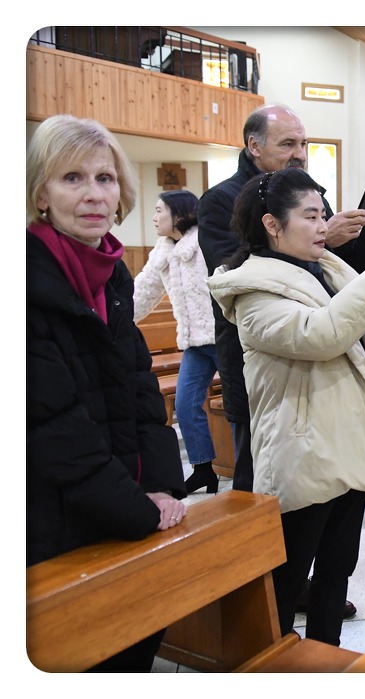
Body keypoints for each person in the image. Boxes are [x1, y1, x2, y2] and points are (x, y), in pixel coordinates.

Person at [206, 167, 365, 647]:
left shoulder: (330, 268)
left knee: (337, 572)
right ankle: (275, 665)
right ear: (272, 225)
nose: (322, 226)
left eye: (322, 214)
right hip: (304, 452)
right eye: (310, 216)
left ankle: (327, 659)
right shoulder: (251, 288)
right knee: (288, 580)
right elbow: (322, 335)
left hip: (351, 444)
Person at [199, 103, 365, 619]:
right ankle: (257, 602)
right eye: (288, 143)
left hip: (330, 366)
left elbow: (344, 281)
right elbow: (237, 266)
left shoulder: (308, 195)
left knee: (330, 514)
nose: (300, 153)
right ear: (254, 145)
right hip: (266, 365)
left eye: (303, 143)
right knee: (267, 496)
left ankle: (315, 599)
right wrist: (324, 238)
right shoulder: (220, 200)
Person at [27, 114, 187, 671]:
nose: (94, 194)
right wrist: (136, 509)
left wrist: (162, 486)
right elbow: (54, 428)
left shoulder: (112, 276)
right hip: (53, 521)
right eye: (72, 178)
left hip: (121, 506)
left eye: (105, 178)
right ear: (41, 194)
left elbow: (140, 389)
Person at [134, 189, 220, 494]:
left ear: (180, 214)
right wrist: (113, 319)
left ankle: (249, 470)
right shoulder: (163, 252)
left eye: (160, 210)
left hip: (222, 339)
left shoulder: (204, 243)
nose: (154, 217)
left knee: (240, 407)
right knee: (184, 405)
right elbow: (142, 293)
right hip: (194, 343)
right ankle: (203, 469)